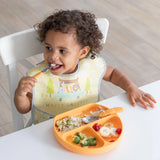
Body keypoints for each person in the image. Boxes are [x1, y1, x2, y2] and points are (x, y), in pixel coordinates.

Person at [14, 10, 156, 124]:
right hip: (47, 131)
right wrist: (20, 94)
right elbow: (24, 108)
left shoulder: (90, 66)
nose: (52, 56)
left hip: (87, 124)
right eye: (48, 48)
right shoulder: (37, 76)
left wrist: (131, 87)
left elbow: (112, 74)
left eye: (62, 51)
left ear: (82, 52)